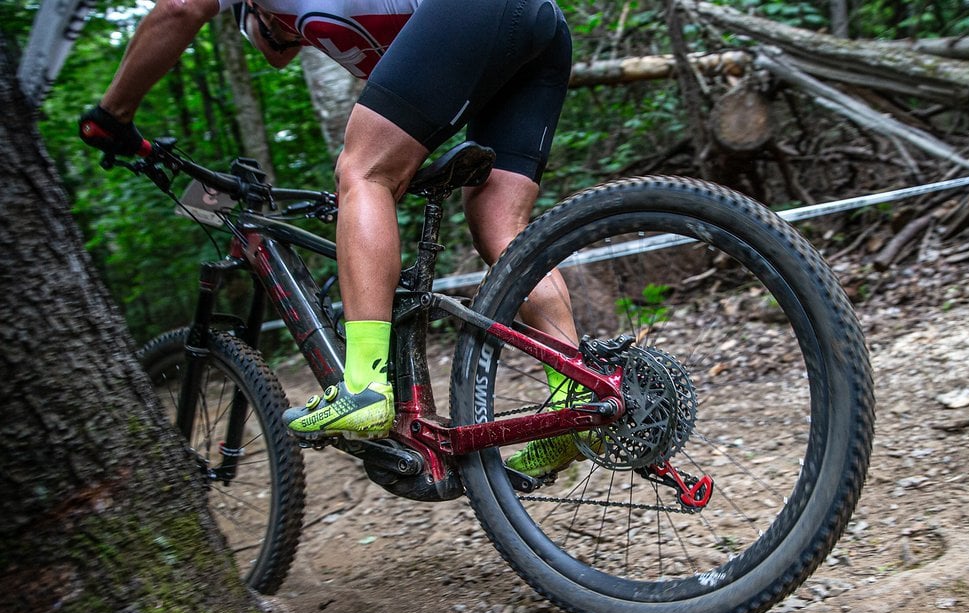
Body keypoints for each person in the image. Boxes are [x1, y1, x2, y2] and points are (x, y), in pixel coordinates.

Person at [80, 0, 590, 478]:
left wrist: (112, 117)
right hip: (536, 25)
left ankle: (364, 385)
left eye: (255, 28)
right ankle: (577, 398)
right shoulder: (338, 25)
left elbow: (179, 8)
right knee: (499, 226)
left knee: (362, 172)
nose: (273, 45)